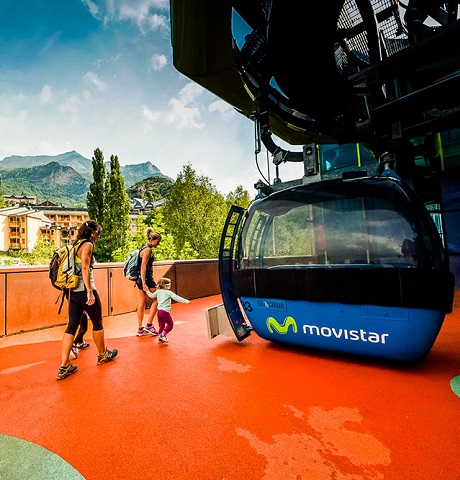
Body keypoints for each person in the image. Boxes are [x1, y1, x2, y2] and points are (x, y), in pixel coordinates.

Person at [57, 220, 118, 380]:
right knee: (97, 322)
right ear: (92, 232)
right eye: (98, 233)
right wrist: (90, 292)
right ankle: (103, 354)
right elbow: (84, 267)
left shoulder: (75, 244)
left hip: (72, 291)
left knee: (72, 326)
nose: (99, 236)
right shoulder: (87, 245)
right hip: (84, 289)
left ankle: (64, 365)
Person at [135, 227, 162, 337]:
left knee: (142, 302)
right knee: (158, 298)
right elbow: (143, 266)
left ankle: (140, 328)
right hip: (146, 279)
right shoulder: (147, 250)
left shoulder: (143, 247)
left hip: (139, 278)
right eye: (157, 242)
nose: (158, 244)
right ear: (152, 239)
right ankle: (149, 324)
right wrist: (144, 282)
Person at [146, 277, 190, 344]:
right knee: (170, 324)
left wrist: (147, 291)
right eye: (169, 284)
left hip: (159, 311)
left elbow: (152, 296)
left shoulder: (158, 291)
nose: (170, 285)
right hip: (165, 312)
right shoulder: (169, 293)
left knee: (161, 325)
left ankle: (160, 337)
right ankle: (163, 335)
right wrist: (185, 301)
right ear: (165, 285)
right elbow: (176, 298)